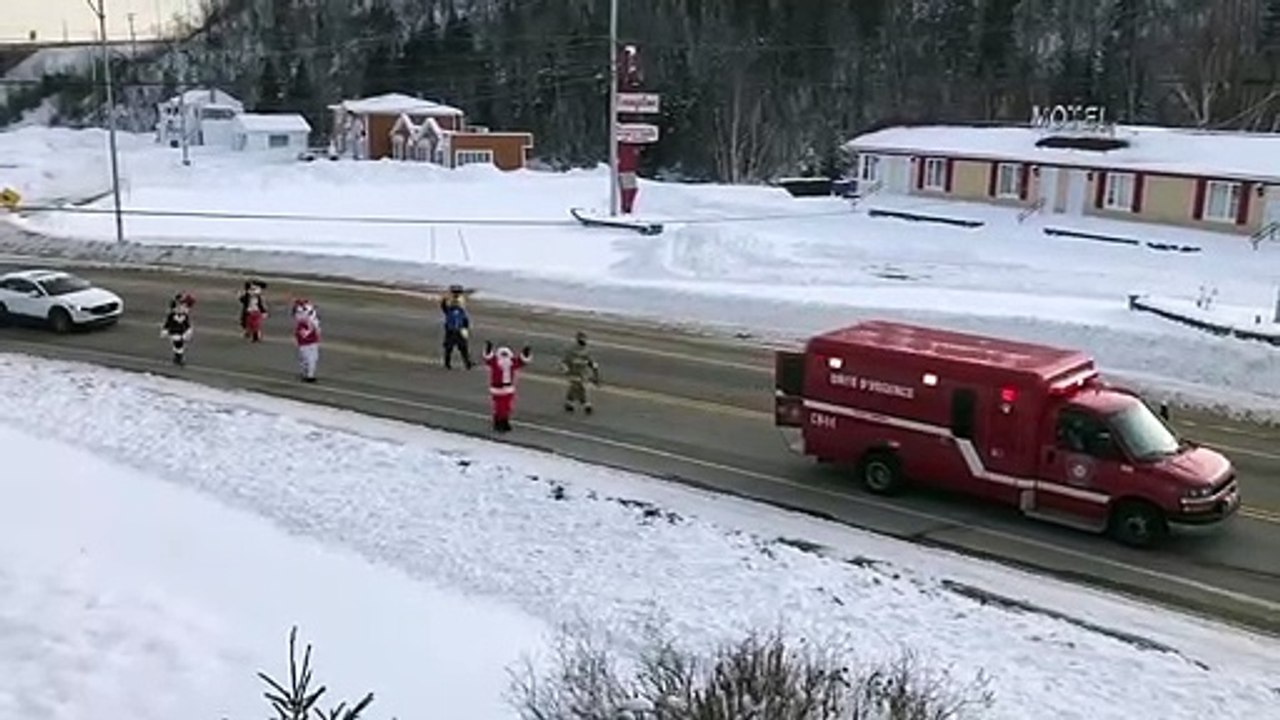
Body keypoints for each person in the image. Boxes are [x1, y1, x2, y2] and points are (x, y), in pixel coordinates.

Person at [483, 340, 531, 433]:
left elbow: (522, 361)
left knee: (505, 407)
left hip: (506, 389)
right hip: (498, 388)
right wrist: (488, 349)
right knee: (500, 407)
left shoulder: (509, 363)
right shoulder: (497, 362)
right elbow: (488, 357)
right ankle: (500, 422)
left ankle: (502, 421)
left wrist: (525, 352)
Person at [560, 330, 601, 414]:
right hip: (573, 371)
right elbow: (564, 361)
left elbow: (590, 361)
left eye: (584, 339)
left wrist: (594, 370)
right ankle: (586, 404)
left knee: (576, 387)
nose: (583, 342)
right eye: (581, 340)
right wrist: (565, 369)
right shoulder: (571, 350)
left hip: (583, 372)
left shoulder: (587, 350)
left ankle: (569, 402)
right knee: (578, 387)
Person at [440, 286, 473, 369]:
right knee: (449, 348)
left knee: (463, 347)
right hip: (451, 330)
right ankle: (447, 363)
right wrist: (445, 299)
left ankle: (467, 363)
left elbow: (465, 319)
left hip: (459, 329)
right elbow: (443, 305)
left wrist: (465, 328)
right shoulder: (449, 309)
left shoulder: (461, 310)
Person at [292, 298, 321, 383]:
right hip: (305, 343)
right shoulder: (302, 322)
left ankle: (308, 374)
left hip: (311, 342)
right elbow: (304, 333)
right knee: (307, 359)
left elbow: (316, 328)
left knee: (311, 358)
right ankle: (307, 374)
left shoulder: (310, 319)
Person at [161, 293, 195, 366]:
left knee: (179, 345)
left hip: (180, 331)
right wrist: (165, 330)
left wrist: (188, 331)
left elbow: (186, 324)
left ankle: (178, 357)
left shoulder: (184, 316)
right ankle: (178, 357)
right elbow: (168, 322)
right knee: (177, 344)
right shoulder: (173, 315)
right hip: (174, 331)